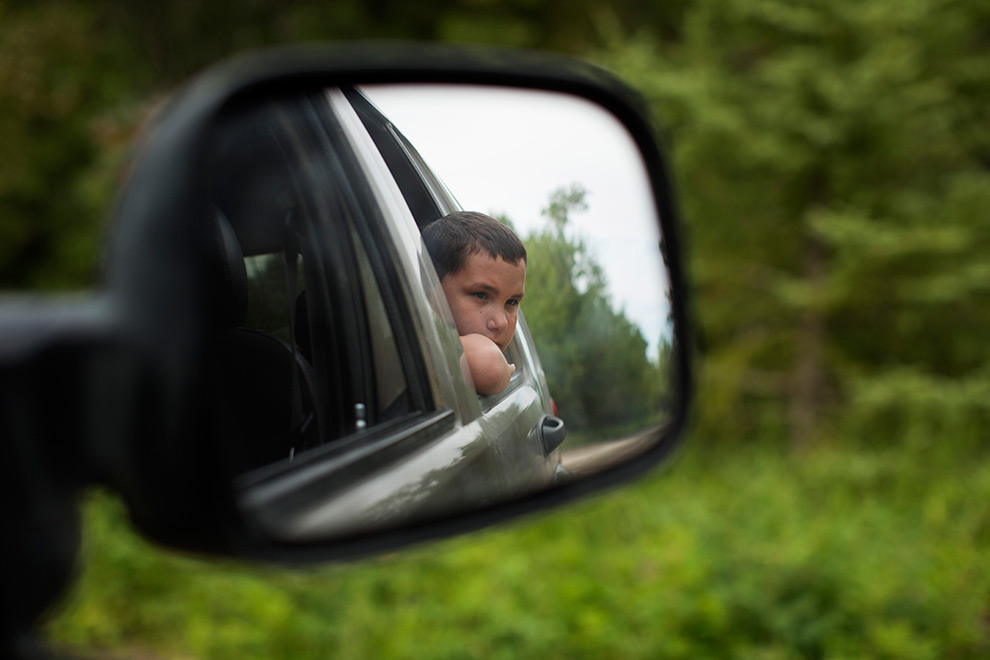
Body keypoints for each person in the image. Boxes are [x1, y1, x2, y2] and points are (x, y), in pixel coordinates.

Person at [422, 211, 527, 396]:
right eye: (481, 295)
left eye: (511, 302)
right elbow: (491, 368)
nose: (501, 323)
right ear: (431, 290)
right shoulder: (418, 344)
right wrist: (503, 370)